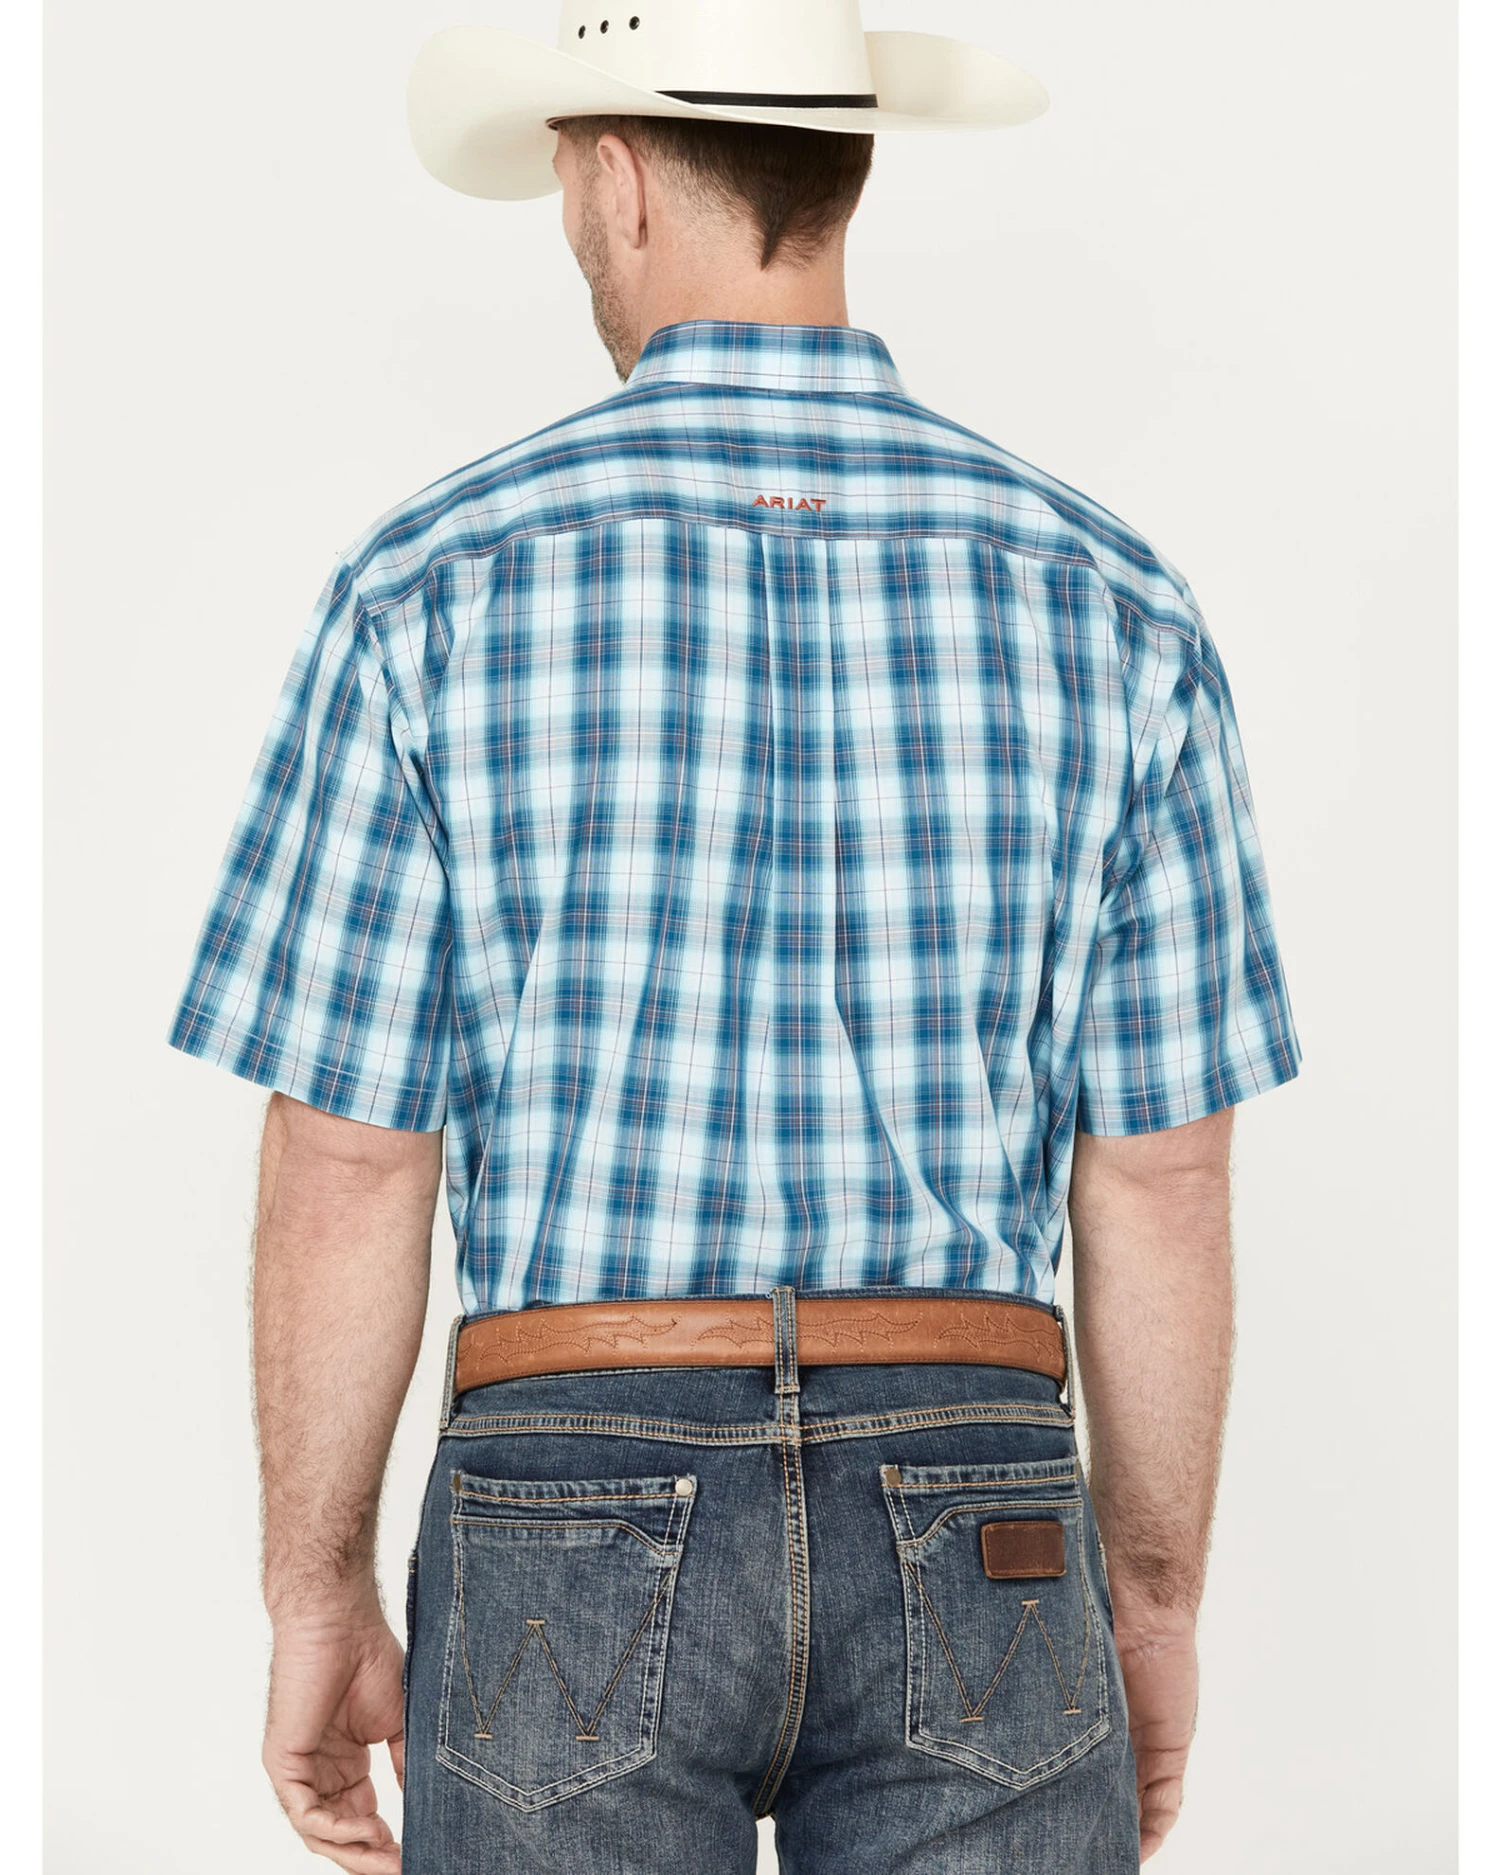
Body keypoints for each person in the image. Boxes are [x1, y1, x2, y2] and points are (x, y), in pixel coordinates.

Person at [168, 4, 1301, 1871]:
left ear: (618, 181)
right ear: (842, 172)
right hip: (984, 1483)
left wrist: (317, 1588)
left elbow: (351, 1155)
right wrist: (1156, 1602)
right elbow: (1163, 1174)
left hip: (563, 1484)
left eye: (564, 180)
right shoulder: (1117, 604)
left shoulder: (428, 588)